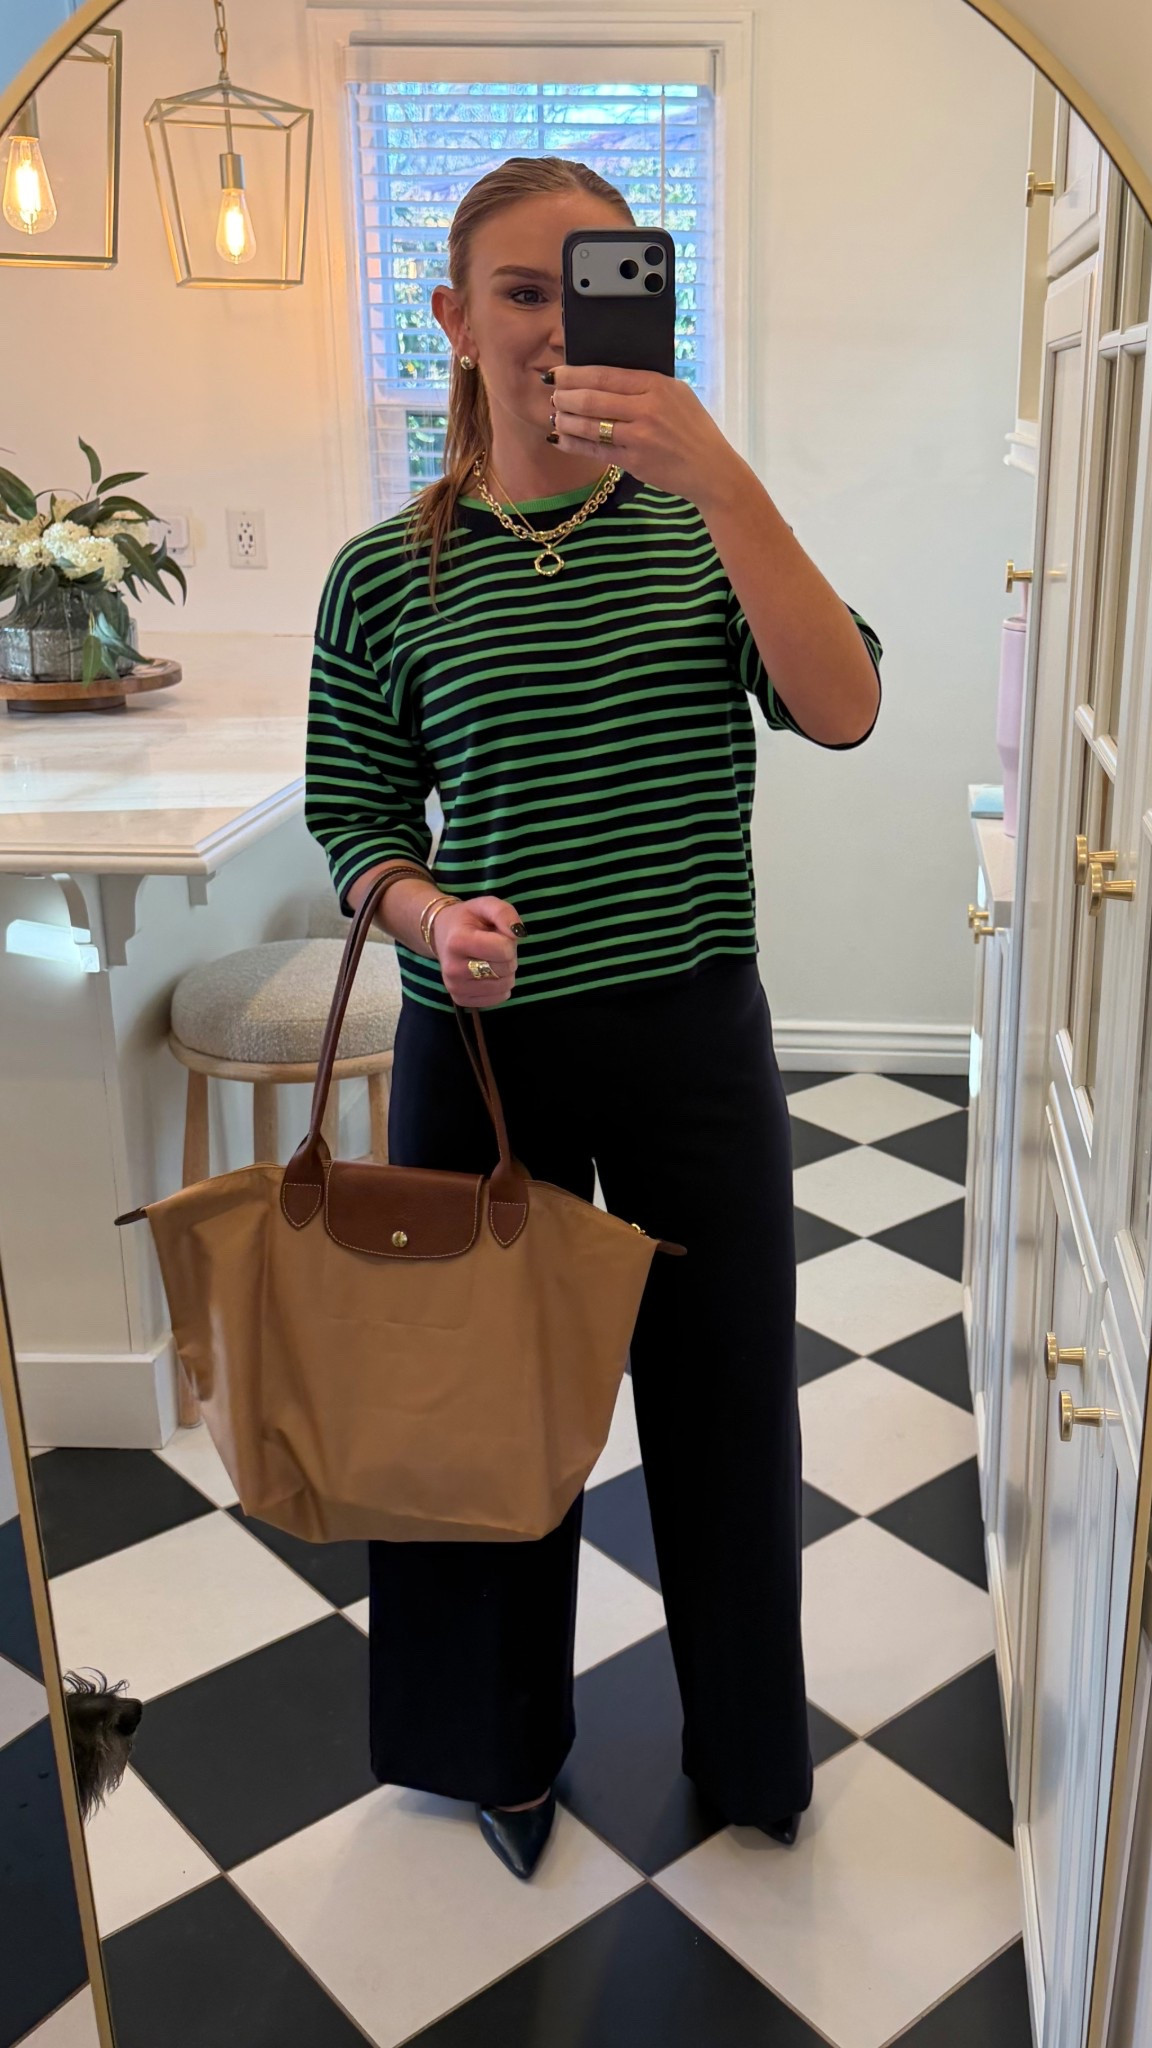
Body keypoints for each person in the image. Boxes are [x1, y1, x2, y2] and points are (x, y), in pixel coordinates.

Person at [304, 154, 882, 1882]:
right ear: (455, 321)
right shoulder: (379, 576)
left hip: (694, 1035)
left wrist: (723, 477)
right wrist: (425, 913)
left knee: (723, 1409)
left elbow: (842, 708)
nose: (561, 326)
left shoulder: (709, 532)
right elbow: (354, 817)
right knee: (478, 1425)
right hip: (480, 1056)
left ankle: (749, 1759)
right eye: (523, 290)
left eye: (604, 284)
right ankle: (492, 1751)